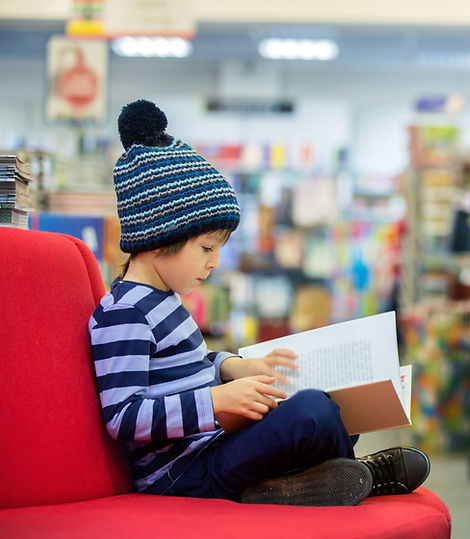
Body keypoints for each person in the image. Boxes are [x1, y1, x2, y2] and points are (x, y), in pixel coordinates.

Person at [88, 99, 430, 506]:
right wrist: (216, 402)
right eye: (206, 248)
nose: (214, 263)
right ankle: (360, 476)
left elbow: (186, 366)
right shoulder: (125, 312)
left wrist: (235, 366)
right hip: (182, 473)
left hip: (212, 445)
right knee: (311, 414)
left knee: (332, 407)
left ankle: (299, 483)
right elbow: (123, 417)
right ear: (158, 238)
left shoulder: (163, 299)